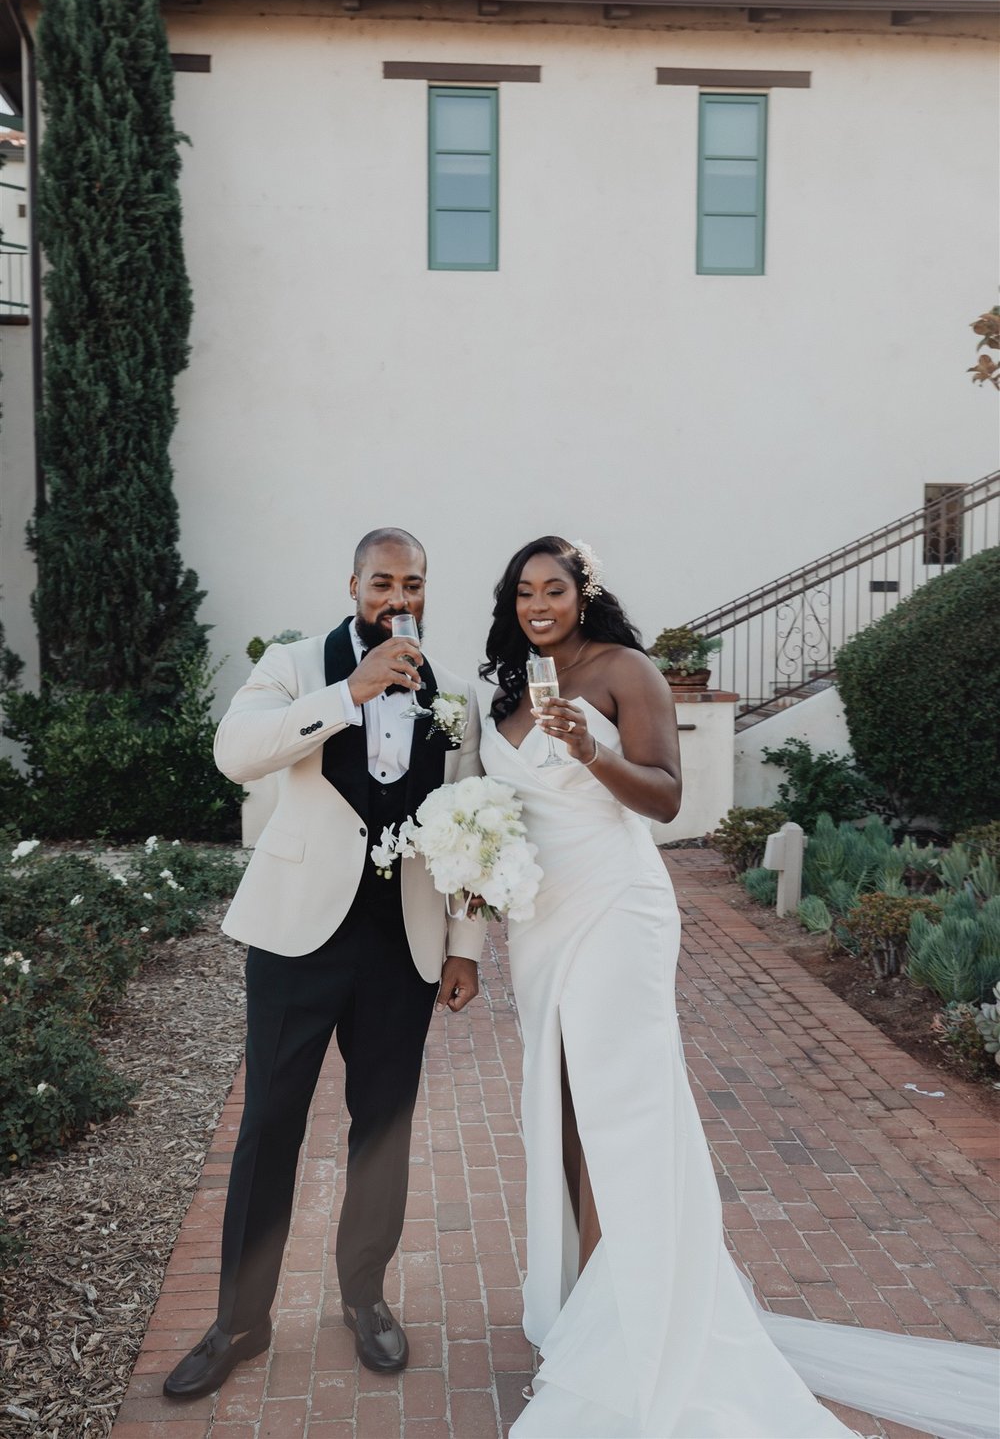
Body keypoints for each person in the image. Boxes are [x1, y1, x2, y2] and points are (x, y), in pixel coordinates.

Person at [478, 535, 998, 1439]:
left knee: (620, 1111)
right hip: (540, 923)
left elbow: (668, 799)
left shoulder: (623, 669)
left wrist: (589, 753)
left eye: (552, 590)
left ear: (582, 593)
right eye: (523, 592)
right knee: (558, 1104)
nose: (537, 605)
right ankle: (582, 1300)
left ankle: (632, 1322)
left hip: (615, 911)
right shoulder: (515, 681)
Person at [164, 528, 484, 1400]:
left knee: (383, 1129)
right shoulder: (295, 665)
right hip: (296, 936)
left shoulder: (456, 692)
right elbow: (237, 752)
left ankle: (365, 1299)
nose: (398, 597)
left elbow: (473, 829)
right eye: (382, 581)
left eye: (413, 581)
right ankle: (238, 1321)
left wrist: (465, 947)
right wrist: (350, 692)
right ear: (354, 585)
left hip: (403, 943)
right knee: (270, 1126)